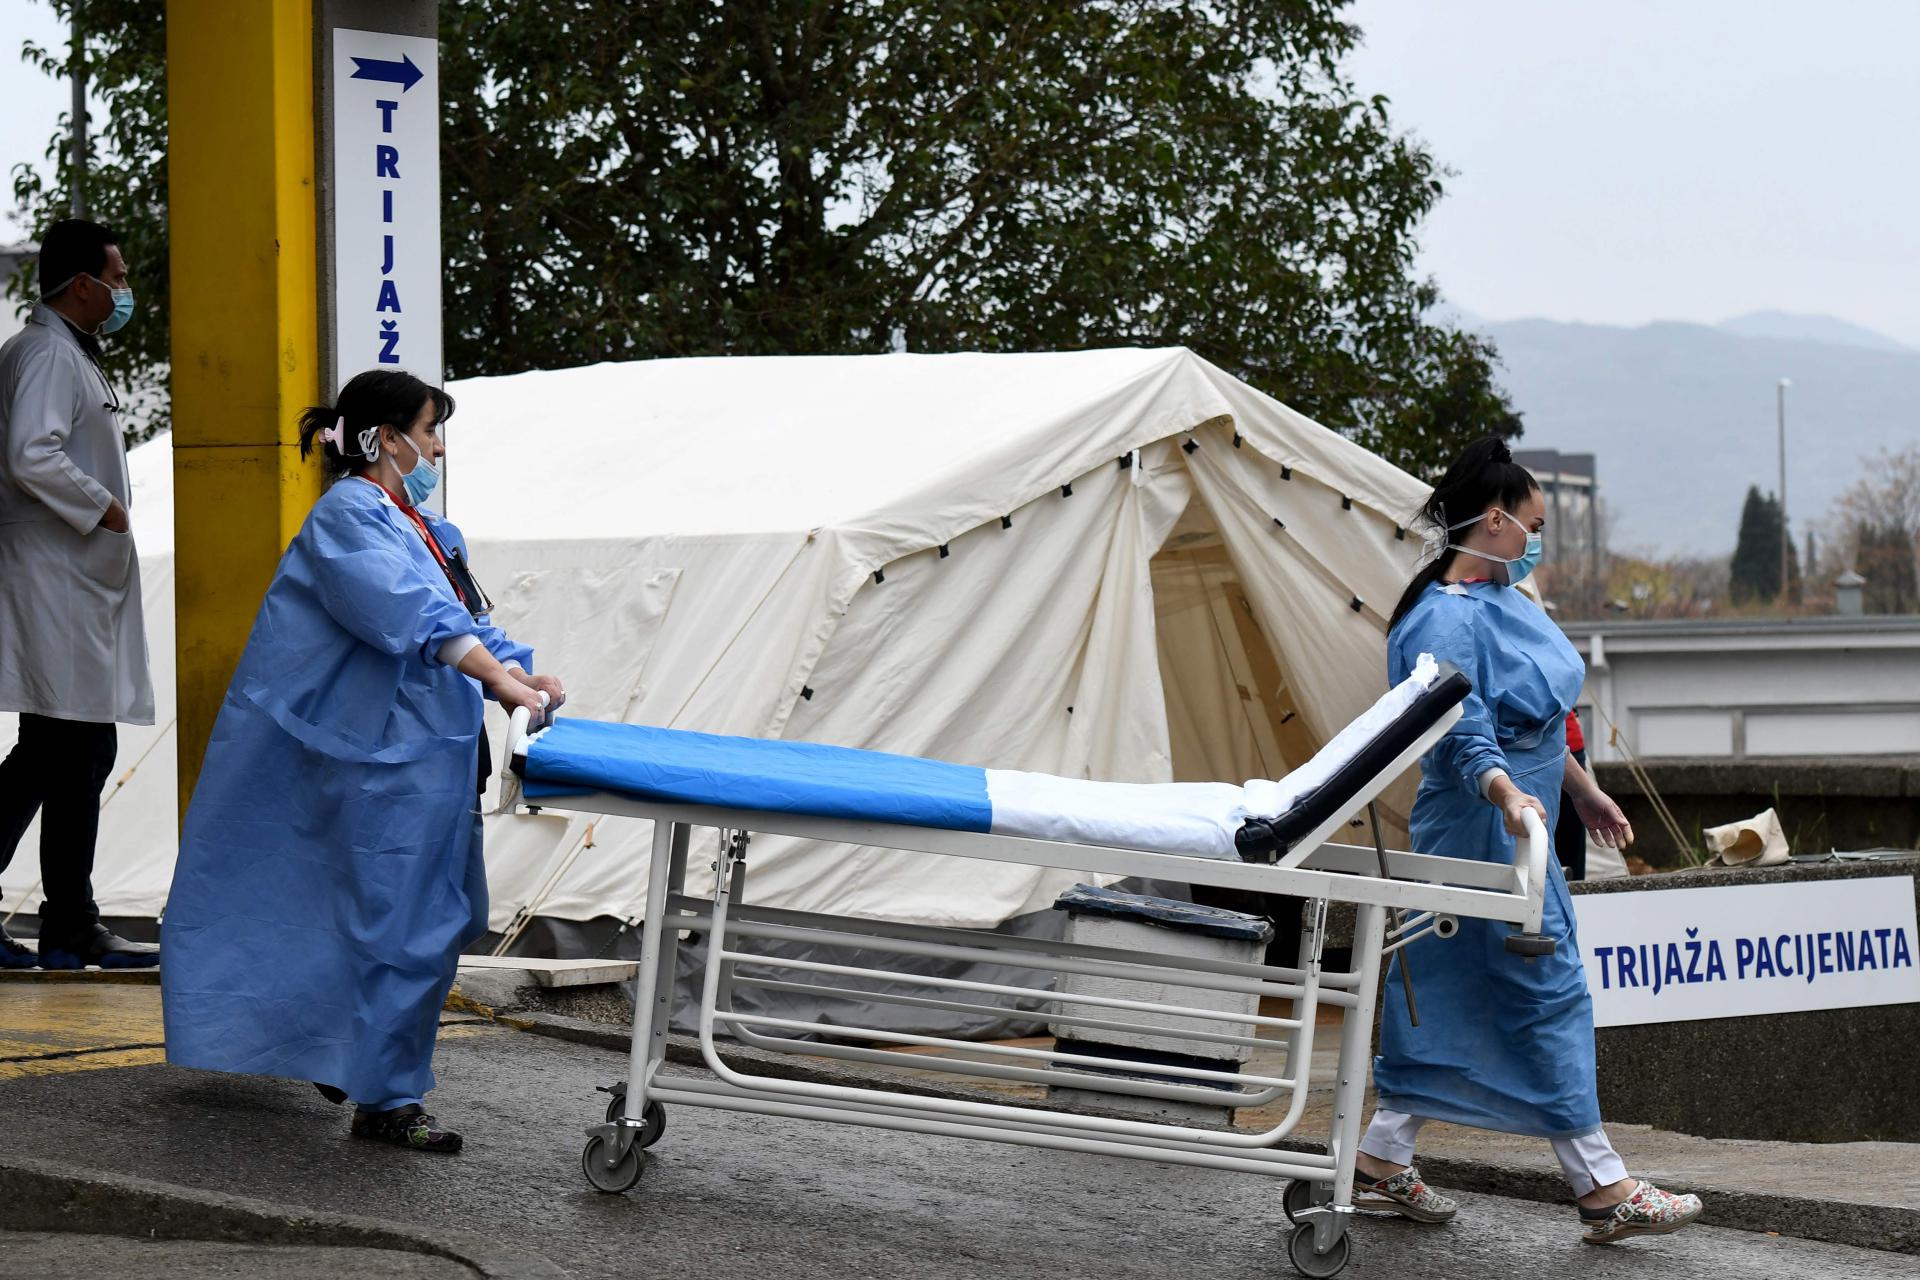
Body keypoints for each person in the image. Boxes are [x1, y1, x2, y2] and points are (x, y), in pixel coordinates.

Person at [161, 369, 562, 1153]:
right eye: (429, 428)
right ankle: (385, 1099)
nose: (439, 446)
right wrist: (503, 684)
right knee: (401, 929)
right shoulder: (347, 517)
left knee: (438, 919)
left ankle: (352, 1055)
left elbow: (464, 619)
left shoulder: (420, 525)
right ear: (386, 437)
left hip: (428, 761)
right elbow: (412, 617)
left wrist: (526, 675)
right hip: (383, 767)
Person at [1350, 438, 1703, 1244]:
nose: (1539, 539)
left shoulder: (1499, 601)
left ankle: (1378, 1162)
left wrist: (1583, 791)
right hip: (1489, 824)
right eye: (1535, 524)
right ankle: (1602, 1185)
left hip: (1520, 818)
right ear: (1499, 520)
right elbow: (1461, 729)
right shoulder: (1442, 617)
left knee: (1453, 990)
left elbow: (1538, 723)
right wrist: (1512, 797)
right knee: (1544, 992)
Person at [0, 218, 157, 970]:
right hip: (55, 578)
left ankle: (70, 923)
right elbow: (33, 450)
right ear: (84, 285)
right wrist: (104, 505)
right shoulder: (45, 356)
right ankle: (70, 922)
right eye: (119, 278)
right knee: (67, 747)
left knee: (70, 749)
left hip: (72, 581)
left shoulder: (66, 355)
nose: (125, 291)